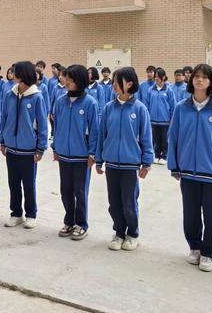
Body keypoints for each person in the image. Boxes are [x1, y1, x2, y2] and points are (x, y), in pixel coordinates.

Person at [167, 63, 212, 273]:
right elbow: (174, 138)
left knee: (211, 216)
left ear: (211, 82)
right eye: (196, 76)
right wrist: (174, 165)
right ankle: (194, 247)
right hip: (187, 171)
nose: (199, 80)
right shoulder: (181, 107)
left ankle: (207, 253)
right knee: (191, 215)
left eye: (204, 77)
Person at [96, 67, 153, 251]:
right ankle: (119, 233)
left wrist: (147, 162)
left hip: (130, 164)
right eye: (113, 81)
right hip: (112, 162)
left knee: (129, 202)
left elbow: (146, 137)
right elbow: (101, 136)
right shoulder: (108, 108)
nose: (113, 85)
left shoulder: (140, 109)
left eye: (117, 81)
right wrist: (99, 159)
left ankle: (132, 234)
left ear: (129, 83)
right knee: (114, 203)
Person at [52, 64, 98, 240]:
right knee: (66, 190)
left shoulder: (90, 103)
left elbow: (94, 131)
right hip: (63, 154)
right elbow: (56, 127)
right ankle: (69, 221)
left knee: (80, 191)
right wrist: (55, 147)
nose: (67, 81)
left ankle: (81, 224)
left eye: (71, 79)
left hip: (81, 156)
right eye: (66, 78)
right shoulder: (60, 101)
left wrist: (92, 153)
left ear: (80, 81)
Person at [0, 61, 48, 229]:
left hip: (29, 150)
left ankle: (31, 214)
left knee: (28, 184)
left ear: (23, 75)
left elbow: (42, 124)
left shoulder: (37, 97)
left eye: (15, 72)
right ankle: (15, 213)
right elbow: (4, 118)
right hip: (11, 148)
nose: (12, 74)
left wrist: (41, 147)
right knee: (13, 183)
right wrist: (3, 140)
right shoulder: (9, 95)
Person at [147, 67, 175, 165]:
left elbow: (173, 106)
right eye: (155, 77)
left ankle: (164, 156)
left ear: (163, 77)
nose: (156, 79)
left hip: (165, 120)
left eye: (158, 77)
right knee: (156, 139)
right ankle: (156, 155)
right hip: (153, 120)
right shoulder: (151, 90)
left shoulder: (169, 90)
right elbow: (147, 104)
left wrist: (172, 119)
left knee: (164, 139)